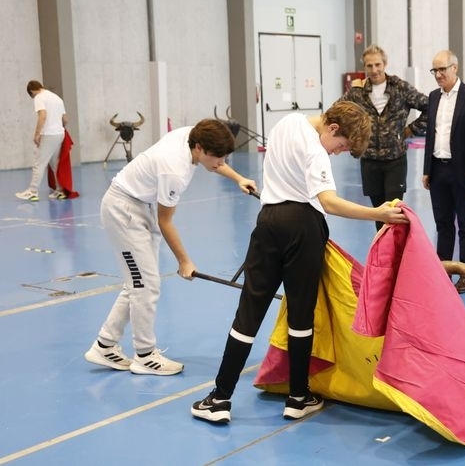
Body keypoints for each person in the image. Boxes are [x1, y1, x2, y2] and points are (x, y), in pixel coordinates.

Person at [191, 101, 408, 424]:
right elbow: (329, 203)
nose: (337, 152)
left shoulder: (285, 123)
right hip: (304, 228)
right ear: (332, 128)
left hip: (268, 223)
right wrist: (377, 214)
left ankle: (220, 398)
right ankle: (297, 396)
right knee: (301, 314)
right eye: (342, 145)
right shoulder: (316, 150)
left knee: (248, 313)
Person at [84, 119, 256, 376]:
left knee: (139, 283)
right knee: (145, 284)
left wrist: (238, 178)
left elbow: (215, 162)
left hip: (142, 204)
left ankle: (104, 345)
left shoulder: (191, 135)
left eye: (224, 157)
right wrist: (184, 260)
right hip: (124, 211)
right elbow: (166, 222)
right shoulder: (174, 170)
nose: (220, 163)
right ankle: (144, 355)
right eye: (216, 157)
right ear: (198, 148)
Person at [336, 44, 428, 229]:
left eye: (378, 64)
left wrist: (411, 130)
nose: (374, 70)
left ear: (385, 64)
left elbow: (429, 107)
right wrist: (352, 137)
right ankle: (383, 253)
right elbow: (336, 112)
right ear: (365, 67)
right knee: (378, 213)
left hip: (395, 160)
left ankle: (397, 253)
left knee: (394, 211)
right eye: (369, 66)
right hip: (370, 161)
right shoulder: (357, 92)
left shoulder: (400, 87)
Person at [421, 50, 465, 293]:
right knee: (443, 224)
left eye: (442, 69)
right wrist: (427, 169)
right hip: (438, 169)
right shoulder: (433, 97)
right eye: (434, 70)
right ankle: (443, 270)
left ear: (455, 68)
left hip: (463, 172)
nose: (438, 75)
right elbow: (431, 135)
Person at [15, 80, 68, 201]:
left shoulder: (39, 97)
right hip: (59, 134)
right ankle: (60, 191)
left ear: (32, 91)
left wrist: (37, 134)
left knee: (39, 163)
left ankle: (32, 191)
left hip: (48, 134)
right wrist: (58, 128)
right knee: (55, 164)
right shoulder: (57, 98)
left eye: (32, 95)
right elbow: (65, 119)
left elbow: (42, 116)